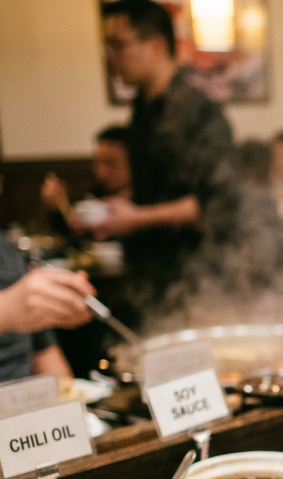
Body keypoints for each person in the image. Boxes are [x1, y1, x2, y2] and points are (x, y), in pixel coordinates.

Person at [89, 0, 236, 321]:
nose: (110, 57)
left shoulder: (198, 114)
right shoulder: (142, 110)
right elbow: (156, 189)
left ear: (155, 45)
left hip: (198, 276)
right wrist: (112, 213)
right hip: (151, 274)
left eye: (118, 45)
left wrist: (136, 218)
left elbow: (216, 204)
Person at [0, 138, 93, 385]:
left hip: (26, 413)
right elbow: (5, 310)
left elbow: (47, 356)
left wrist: (73, 413)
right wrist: (3, 310)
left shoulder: (3, 250)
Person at [40, 125, 133, 235]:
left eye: (110, 163)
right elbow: (76, 231)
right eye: (98, 162)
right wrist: (59, 204)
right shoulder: (97, 194)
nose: (101, 172)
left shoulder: (147, 203)